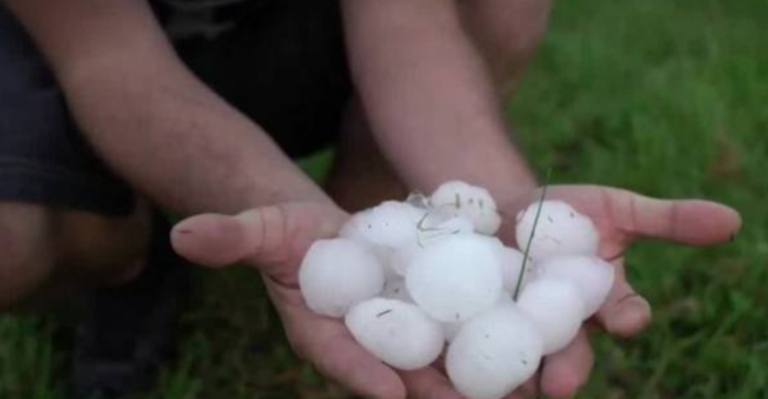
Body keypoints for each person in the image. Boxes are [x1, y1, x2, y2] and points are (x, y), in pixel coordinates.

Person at [0, 0, 741, 399]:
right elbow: (110, 59)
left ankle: (364, 198)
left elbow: (405, 22)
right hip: (72, 45)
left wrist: (500, 194)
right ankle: (130, 265)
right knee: (14, 241)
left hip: (282, 28)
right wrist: (270, 204)